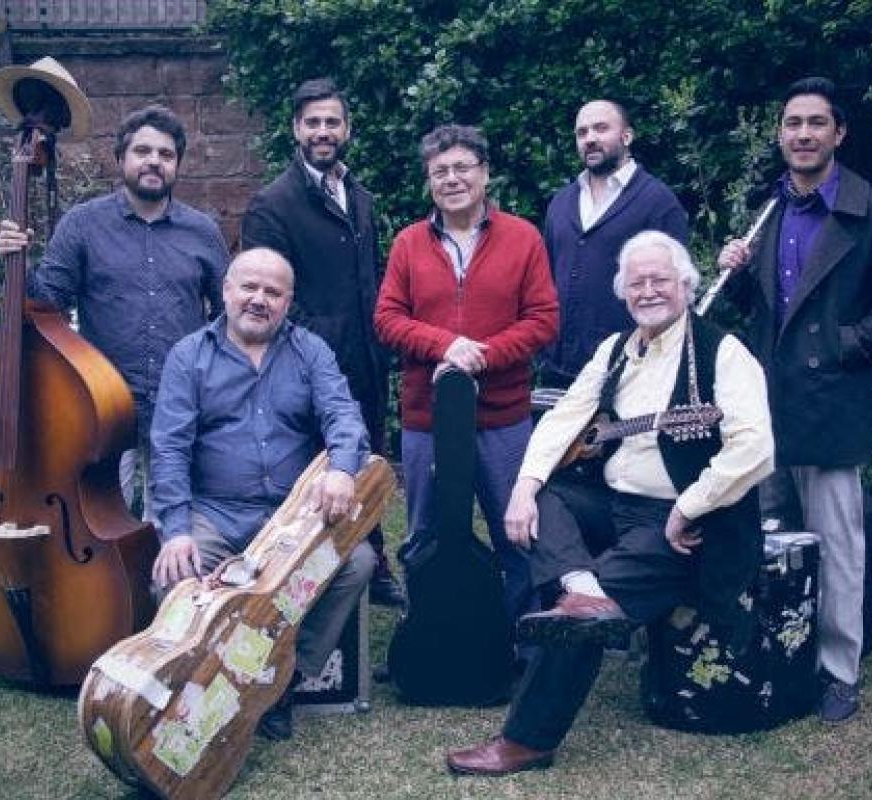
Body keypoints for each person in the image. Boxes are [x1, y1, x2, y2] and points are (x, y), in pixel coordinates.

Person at [445, 230, 773, 775]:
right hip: (615, 505)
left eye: (660, 280)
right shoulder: (617, 350)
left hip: (682, 526)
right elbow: (566, 417)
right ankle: (584, 588)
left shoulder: (723, 352)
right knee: (547, 498)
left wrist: (691, 504)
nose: (648, 291)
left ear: (686, 286)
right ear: (623, 292)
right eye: (636, 283)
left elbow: (756, 447)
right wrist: (524, 487)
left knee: (576, 624)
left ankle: (527, 740)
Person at [717, 77, 872, 724]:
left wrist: (841, 345)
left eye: (816, 123)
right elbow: (764, 314)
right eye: (792, 123)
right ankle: (780, 649)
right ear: (780, 134)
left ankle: (838, 670)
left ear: (839, 133)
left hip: (831, 401)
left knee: (837, 543)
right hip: (768, 404)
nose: (803, 134)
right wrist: (737, 274)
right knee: (770, 535)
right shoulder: (770, 210)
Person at [149, 247, 376, 741]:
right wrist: (177, 530)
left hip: (292, 518)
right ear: (226, 291)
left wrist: (342, 469)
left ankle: (281, 681)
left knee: (356, 562)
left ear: (287, 302)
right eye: (249, 287)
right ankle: (201, 692)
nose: (259, 299)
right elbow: (169, 448)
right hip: (215, 513)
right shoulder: (189, 356)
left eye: (273, 292)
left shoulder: (310, 351)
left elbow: (343, 415)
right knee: (176, 577)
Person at [0, 104, 228, 519]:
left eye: (166, 154)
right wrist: (17, 264)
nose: (154, 161)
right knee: (102, 520)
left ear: (177, 164)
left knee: (174, 521)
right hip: (103, 398)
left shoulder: (203, 231)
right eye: (142, 151)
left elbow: (227, 313)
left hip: (180, 399)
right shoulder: (82, 225)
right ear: (121, 158)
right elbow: (47, 305)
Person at [374, 124, 559, 625]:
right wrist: (445, 346)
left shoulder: (523, 238)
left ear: (485, 173)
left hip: (503, 421)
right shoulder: (409, 243)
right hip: (428, 421)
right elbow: (387, 318)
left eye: (462, 167)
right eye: (440, 171)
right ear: (429, 180)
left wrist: (485, 355)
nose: (451, 179)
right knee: (423, 535)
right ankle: (429, 632)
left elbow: (543, 319)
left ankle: (522, 639)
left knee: (517, 534)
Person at [241, 77, 403, 607]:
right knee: (314, 475)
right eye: (312, 122)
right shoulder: (273, 204)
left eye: (332, 122)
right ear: (296, 129)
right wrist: (319, 347)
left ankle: (371, 559)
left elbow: (370, 280)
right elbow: (266, 298)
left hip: (367, 360)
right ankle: (309, 577)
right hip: (305, 366)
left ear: (347, 129)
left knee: (366, 465)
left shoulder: (359, 198)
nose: (323, 131)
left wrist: (378, 343)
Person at [539, 99, 689, 388]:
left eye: (601, 128)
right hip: (558, 371)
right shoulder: (561, 203)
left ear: (627, 136)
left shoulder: (657, 202)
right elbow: (546, 280)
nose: (590, 139)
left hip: (629, 371)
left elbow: (676, 292)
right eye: (582, 132)